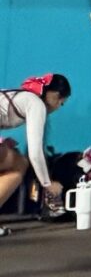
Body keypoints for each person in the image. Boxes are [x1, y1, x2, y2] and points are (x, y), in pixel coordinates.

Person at [0, 75, 72, 221]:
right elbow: (35, 154)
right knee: (20, 163)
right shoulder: (36, 104)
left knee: (12, 163)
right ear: (56, 96)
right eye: (61, 103)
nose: (58, 107)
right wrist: (47, 184)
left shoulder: (23, 97)